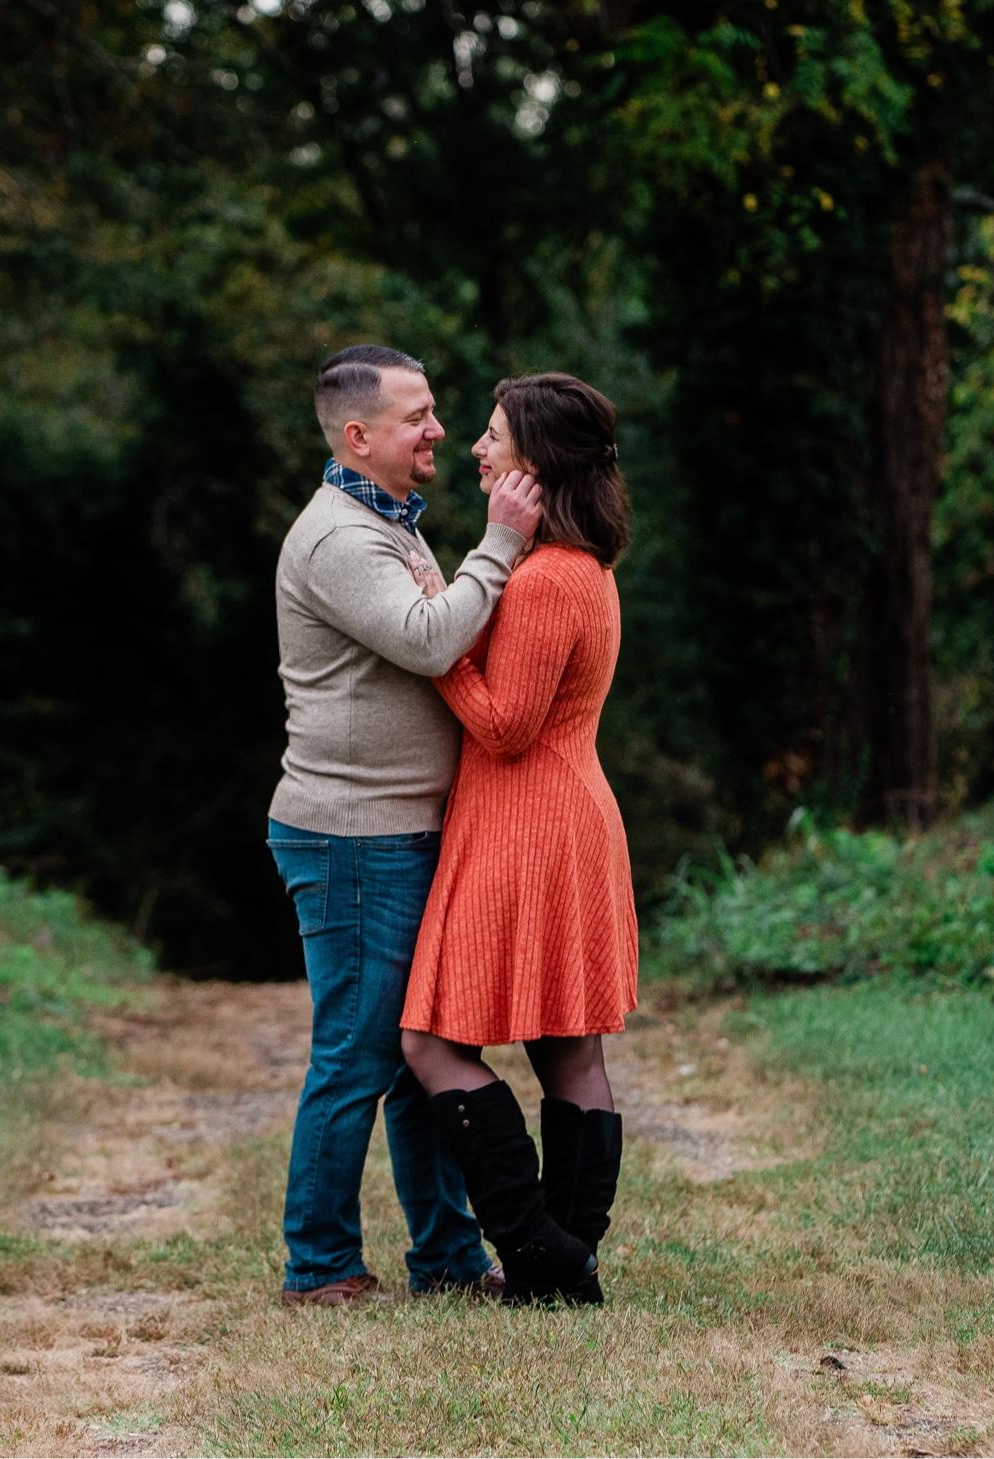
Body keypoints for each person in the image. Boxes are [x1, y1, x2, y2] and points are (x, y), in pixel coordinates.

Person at [265, 343, 546, 1306]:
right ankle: (319, 1264)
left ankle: (448, 1257)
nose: (439, 429)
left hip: (403, 828)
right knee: (360, 1052)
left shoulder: (389, 523)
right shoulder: (339, 539)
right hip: (352, 835)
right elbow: (431, 639)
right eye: (417, 416)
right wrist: (501, 543)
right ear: (359, 435)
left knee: (427, 1050)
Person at [399, 371, 638, 1306]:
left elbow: (503, 727)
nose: (475, 446)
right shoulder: (587, 567)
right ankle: (562, 1267)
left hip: (528, 825)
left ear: (534, 463)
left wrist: (442, 650)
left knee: (430, 1041)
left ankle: (543, 1251)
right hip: (565, 815)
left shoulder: (543, 582)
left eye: (493, 435)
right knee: (570, 1048)